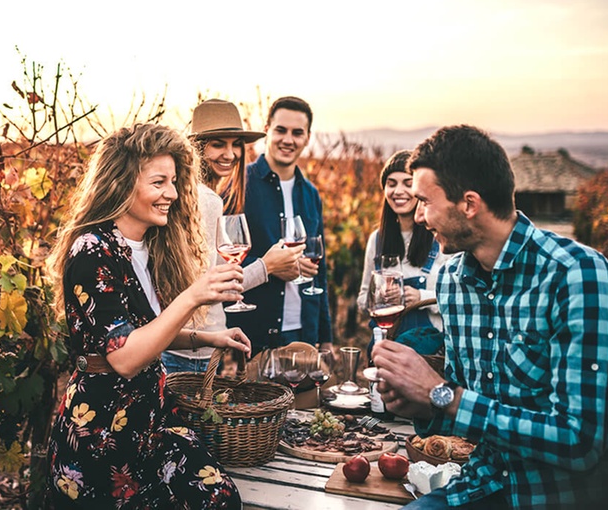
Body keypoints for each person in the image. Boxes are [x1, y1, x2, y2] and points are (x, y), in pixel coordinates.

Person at [371, 124, 608, 508]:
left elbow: (580, 442)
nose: (418, 216)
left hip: (571, 494)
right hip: (487, 482)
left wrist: (440, 394)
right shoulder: (451, 280)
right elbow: (469, 408)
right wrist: (422, 407)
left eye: (425, 202)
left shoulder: (578, 276)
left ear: (469, 204)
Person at [45, 123, 251, 508]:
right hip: (102, 429)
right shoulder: (92, 250)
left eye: (174, 181)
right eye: (159, 182)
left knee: (219, 497)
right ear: (122, 183)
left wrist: (206, 338)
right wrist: (192, 297)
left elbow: (145, 331)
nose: (171, 194)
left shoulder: (149, 246)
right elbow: (124, 356)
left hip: (151, 418)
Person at [161, 99, 303, 373]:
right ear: (197, 148)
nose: (230, 154)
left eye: (235, 143)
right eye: (218, 144)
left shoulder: (187, 194)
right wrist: (267, 266)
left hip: (186, 344)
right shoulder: (206, 199)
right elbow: (208, 288)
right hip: (190, 350)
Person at [227, 96, 333, 356]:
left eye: (297, 133)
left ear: (307, 138)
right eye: (281, 130)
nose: (288, 140)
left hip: (302, 329)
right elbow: (223, 260)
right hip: (255, 332)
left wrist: (326, 336)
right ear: (267, 130)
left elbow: (320, 268)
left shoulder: (310, 194)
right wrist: (272, 267)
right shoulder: (240, 185)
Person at [357, 150, 447, 357]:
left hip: (429, 354)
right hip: (385, 348)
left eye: (408, 183)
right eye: (391, 183)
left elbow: (460, 299)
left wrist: (421, 296)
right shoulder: (377, 240)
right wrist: (378, 298)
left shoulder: (441, 238)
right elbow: (362, 298)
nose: (399, 191)